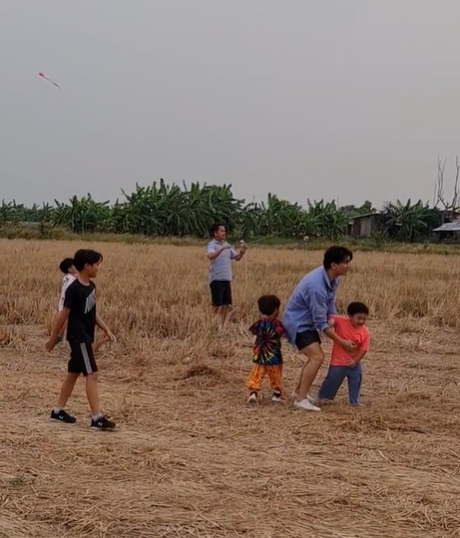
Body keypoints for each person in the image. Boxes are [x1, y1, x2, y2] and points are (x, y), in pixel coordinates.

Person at [45, 249, 117, 430]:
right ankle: (96, 418)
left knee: (73, 373)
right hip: (79, 337)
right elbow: (63, 315)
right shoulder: (74, 289)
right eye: (97, 264)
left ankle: (58, 411)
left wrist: (106, 329)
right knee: (92, 374)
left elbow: (93, 313)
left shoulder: (91, 287)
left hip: (86, 335)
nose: (98, 268)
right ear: (87, 266)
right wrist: (54, 338)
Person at [281, 246, 356, 412]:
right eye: (345, 262)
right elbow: (321, 323)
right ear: (334, 265)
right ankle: (300, 400)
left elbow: (330, 304)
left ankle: (297, 392)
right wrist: (342, 341)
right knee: (316, 357)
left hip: (306, 322)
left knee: (314, 356)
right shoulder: (317, 287)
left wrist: (337, 320)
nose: (347, 266)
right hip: (297, 323)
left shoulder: (333, 279)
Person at [314, 302, 370, 407]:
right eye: (359, 318)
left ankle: (354, 401)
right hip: (338, 362)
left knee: (356, 381)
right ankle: (323, 399)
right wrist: (330, 322)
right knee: (331, 381)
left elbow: (364, 349)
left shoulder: (365, 332)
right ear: (349, 316)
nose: (361, 321)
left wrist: (355, 361)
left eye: (364, 319)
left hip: (354, 363)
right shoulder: (341, 321)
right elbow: (332, 319)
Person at [206, 223, 247, 327]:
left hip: (226, 278)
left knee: (226, 305)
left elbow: (236, 258)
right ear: (215, 233)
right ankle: (213, 325)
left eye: (224, 231)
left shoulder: (226, 245)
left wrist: (242, 251)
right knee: (217, 305)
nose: (224, 233)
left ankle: (223, 326)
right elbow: (210, 256)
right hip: (216, 279)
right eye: (221, 231)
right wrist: (222, 248)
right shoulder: (212, 244)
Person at [247, 295, 285, 404]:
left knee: (257, 374)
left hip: (260, 354)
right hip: (273, 355)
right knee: (276, 375)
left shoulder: (259, 323)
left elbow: (255, 336)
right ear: (276, 310)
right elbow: (280, 332)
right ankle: (276, 394)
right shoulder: (276, 323)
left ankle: (253, 393)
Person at [56, 257, 78, 344]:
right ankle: (58, 340)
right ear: (70, 269)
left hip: (63, 303)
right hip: (68, 304)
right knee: (66, 323)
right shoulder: (71, 280)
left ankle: (59, 340)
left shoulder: (66, 278)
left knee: (65, 323)